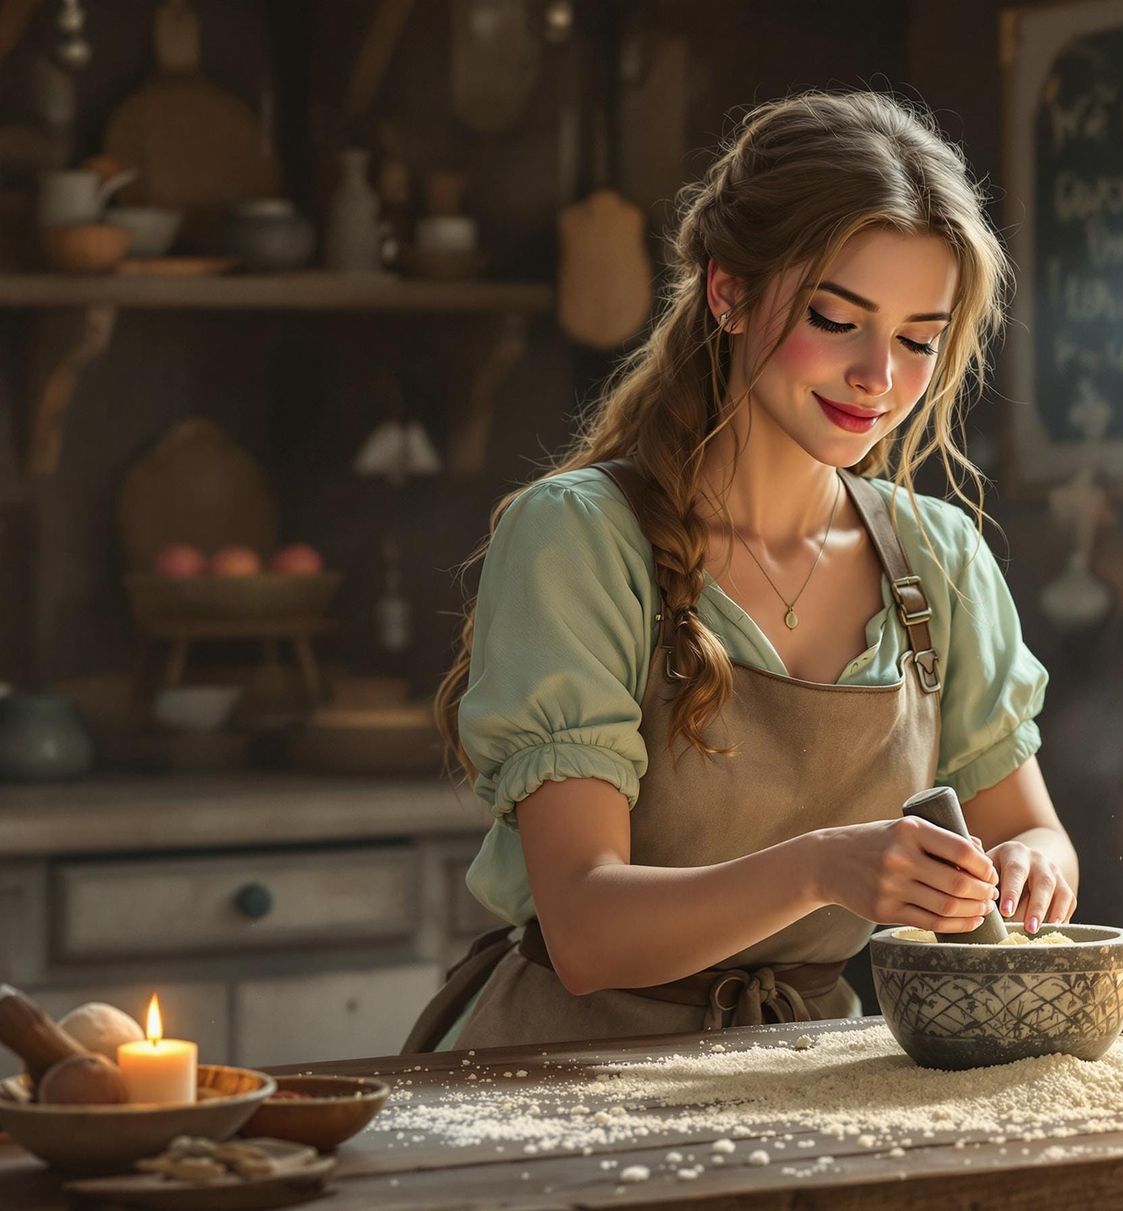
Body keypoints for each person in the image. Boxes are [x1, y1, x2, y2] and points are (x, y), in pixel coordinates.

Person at [403, 89, 1079, 1053]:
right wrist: (820, 869)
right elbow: (586, 931)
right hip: (556, 1084)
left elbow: (1036, 830)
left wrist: (1030, 868)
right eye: (836, 319)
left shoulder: (938, 561)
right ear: (727, 290)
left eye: (919, 339)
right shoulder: (580, 539)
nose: (878, 377)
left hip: (808, 1073)